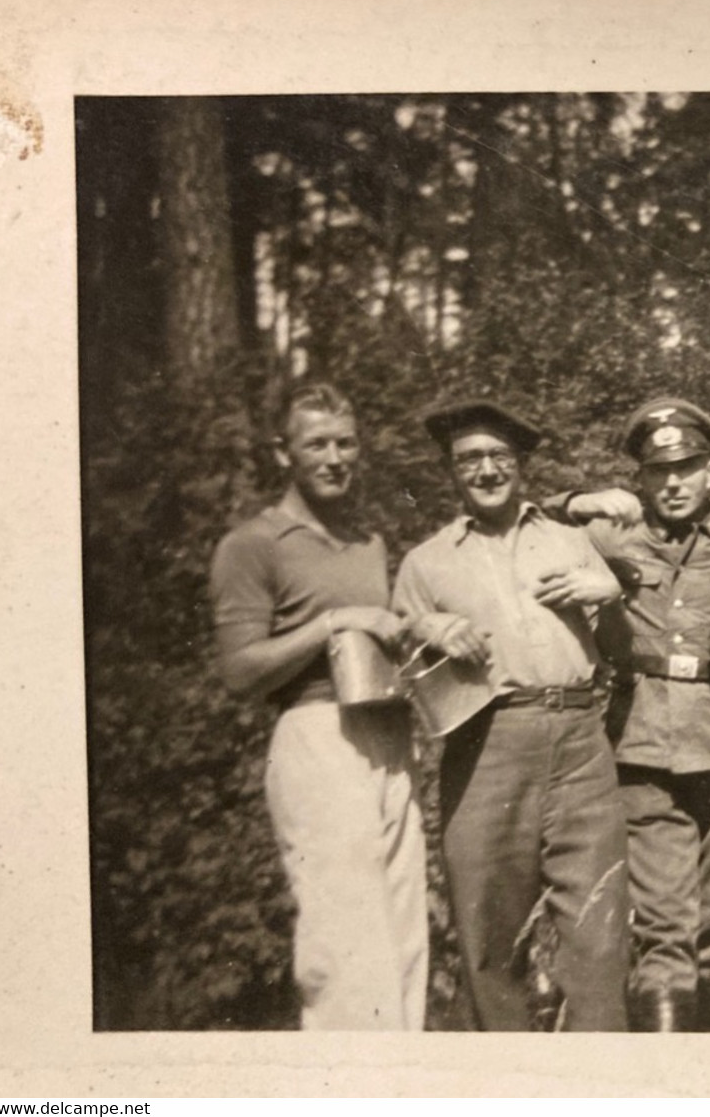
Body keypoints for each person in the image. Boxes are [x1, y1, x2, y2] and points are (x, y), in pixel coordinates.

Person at [392, 399, 630, 1031]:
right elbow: (403, 663)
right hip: (486, 742)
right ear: (451, 471)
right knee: (489, 932)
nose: (487, 470)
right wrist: (425, 626)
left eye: (500, 456)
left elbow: (621, 651)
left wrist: (611, 598)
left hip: (580, 738)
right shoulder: (426, 562)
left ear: (520, 464)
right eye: (470, 459)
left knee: (599, 931)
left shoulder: (570, 541)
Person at [208, 382, 427, 1031]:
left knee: (405, 941)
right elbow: (239, 671)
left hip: (387, 732)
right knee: (344, 947)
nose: (335, 457)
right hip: (315, 739)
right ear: (284, 453)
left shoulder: (369, 542)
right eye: (316, 444)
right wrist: (333, 622)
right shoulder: (252, 544)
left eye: (346, 442)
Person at [546, 397, 710, 1032]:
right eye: (657, 471)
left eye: (687, 466)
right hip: (641, 749)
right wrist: (578, 502)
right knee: (664, 930)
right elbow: (524, 517)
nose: (673, 482)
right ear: (640, 479)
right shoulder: (612, 539)